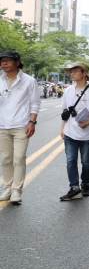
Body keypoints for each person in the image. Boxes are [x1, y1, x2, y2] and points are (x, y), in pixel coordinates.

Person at [0, 50, 41, 204]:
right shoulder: (0, 79)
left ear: (17, 62)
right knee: (6, 159)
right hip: (2, 125)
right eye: (2, 60)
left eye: (7, 60)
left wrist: (32, 122)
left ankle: (17, 190)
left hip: (21, 125)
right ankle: (7, 187)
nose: (4, 63)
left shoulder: (29, 81)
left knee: (18, 158)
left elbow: (35, 103)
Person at [59, 62, 89, 201]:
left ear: (84, 74)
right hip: (71, 133)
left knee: (86, 162)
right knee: (71, 160)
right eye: (70, 71)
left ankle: (85, 184)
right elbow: (65, 112)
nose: (72, 73)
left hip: (87, 133)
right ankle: (74, 187)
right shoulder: (68, 90)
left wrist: (88, 123)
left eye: (75, 71)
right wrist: (62, 128)